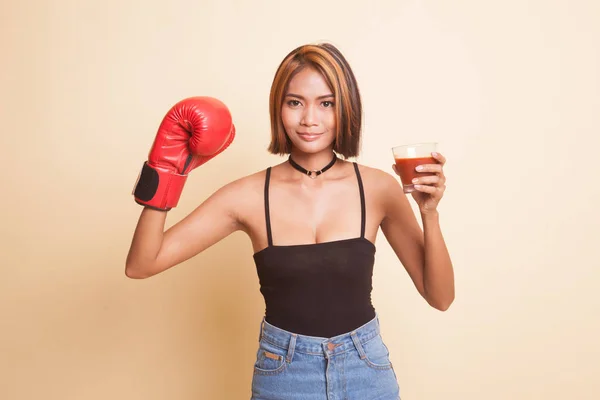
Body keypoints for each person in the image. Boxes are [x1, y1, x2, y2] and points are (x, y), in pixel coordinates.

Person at [126, 42, 455, 400]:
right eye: (295, 102)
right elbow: (143, 263)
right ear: (278, 108)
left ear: (345, 109)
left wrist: (429, 213)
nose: (309, 119)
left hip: (365, 371)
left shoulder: (377, 188)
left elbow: (440, 297)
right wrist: (166, 172)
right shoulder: (248, 195)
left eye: (325, 103)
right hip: (284, 375)